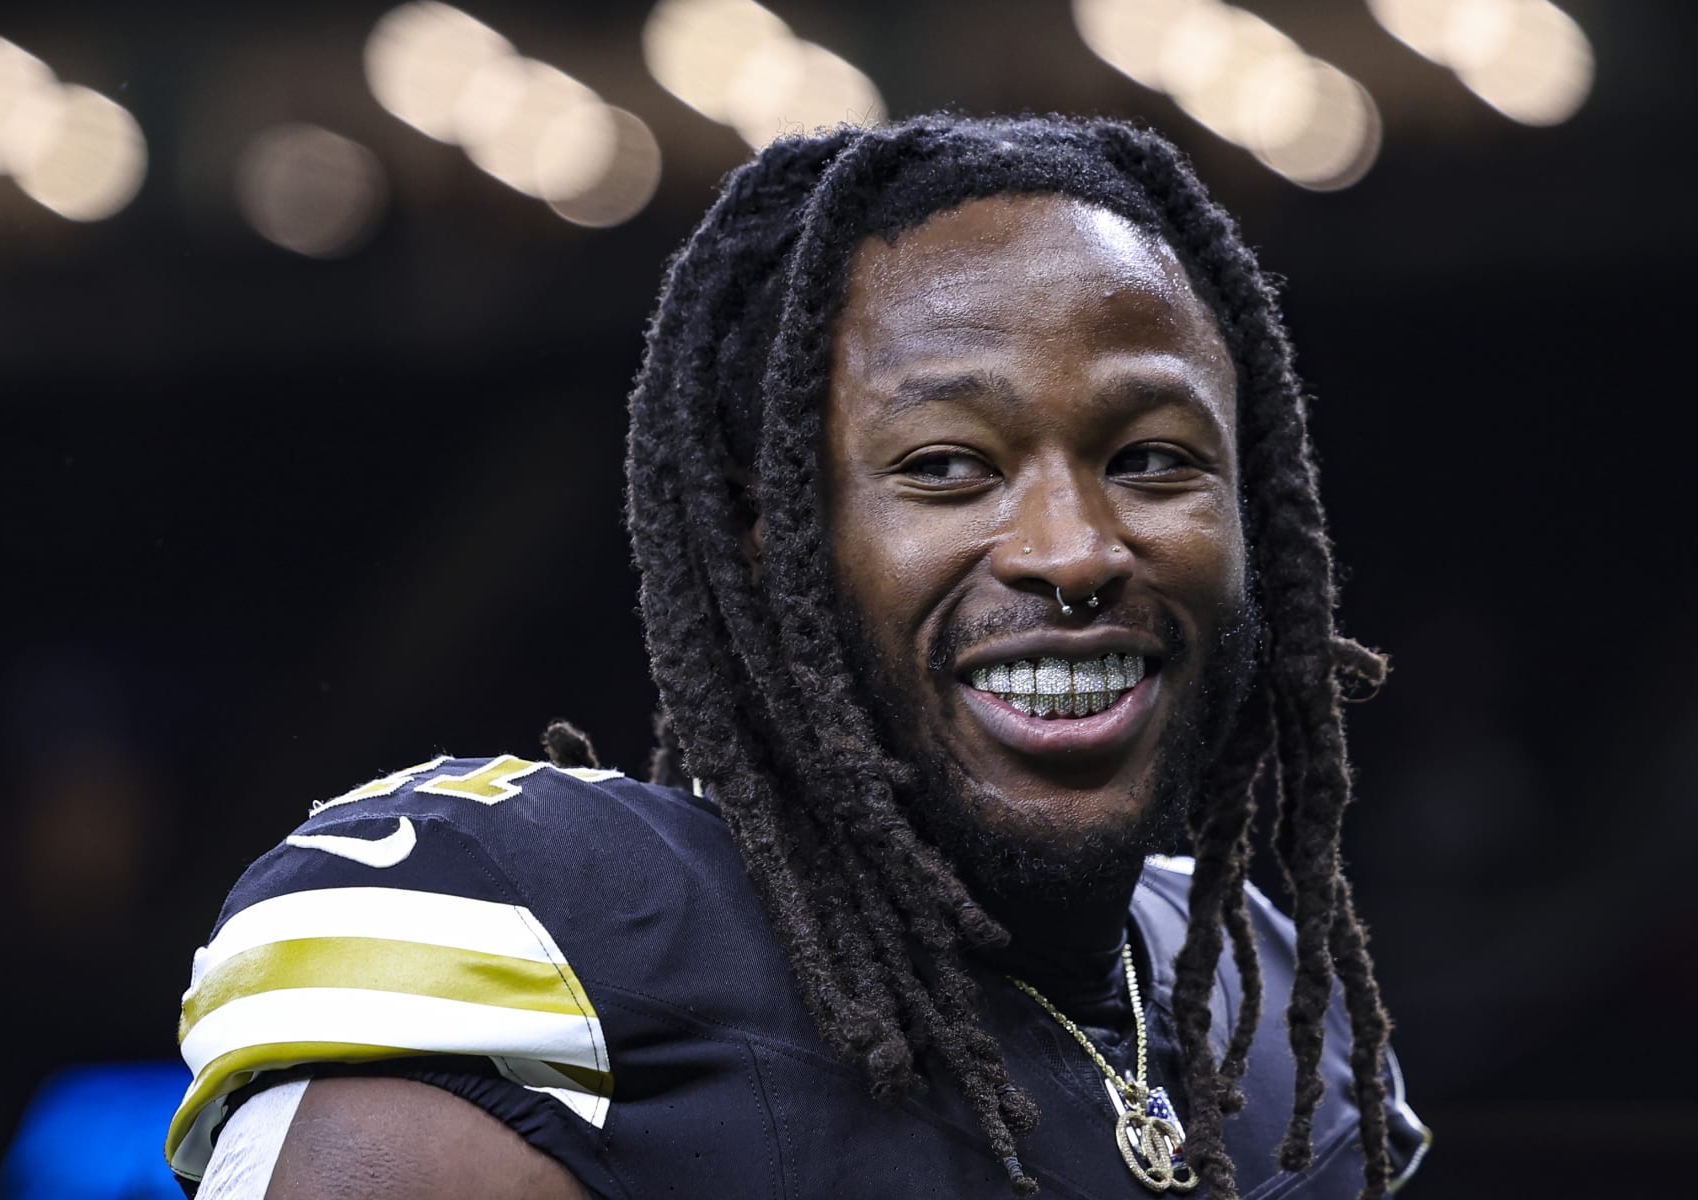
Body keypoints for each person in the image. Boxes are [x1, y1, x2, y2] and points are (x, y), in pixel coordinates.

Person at [166, 113, 1429, 1199]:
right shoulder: (552, 943)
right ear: (775, 543)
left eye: (1153, 459)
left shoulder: (1271, 1022)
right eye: (947, 467)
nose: (1075, 550)